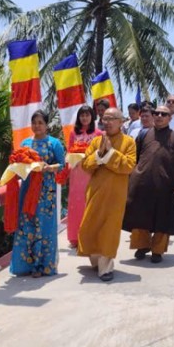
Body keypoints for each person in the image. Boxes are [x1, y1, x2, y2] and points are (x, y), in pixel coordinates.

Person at [122, 105, 174, 263]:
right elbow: (134, 157)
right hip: (142, 181)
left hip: (165, 185)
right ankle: (142, 246)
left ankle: (158, 251)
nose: (159, 116)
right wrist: (130, 177)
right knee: (140, 216)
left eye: (163, 114)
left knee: (162, 218)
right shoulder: (143, 134)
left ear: (169, 118)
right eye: (156, 113)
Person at [77, 108, 137, 281]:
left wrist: (110, 153)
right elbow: (85, 165)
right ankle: (96, 260)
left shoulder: (129, 142)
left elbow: (129, 166)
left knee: (109, 230)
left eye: (112, 119)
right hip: (95, 191)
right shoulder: (96, 141)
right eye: (105, 119)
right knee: (90, 226)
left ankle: (106, 268)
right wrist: (99, 154)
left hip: (115, 194)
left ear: (121, 122)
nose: (108, 122)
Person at [9, 111, 65, 278]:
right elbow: (19, 163)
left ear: (46, 125)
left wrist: (48, 168)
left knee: (44, 225)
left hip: (46, 191)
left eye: (40, 123)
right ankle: (25, 265)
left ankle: (42, 266)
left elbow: (62, 165)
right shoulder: (25, 143)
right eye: (34, 123)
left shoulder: (54, 143)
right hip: (28, 189)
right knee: (27, 223)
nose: (37, 126)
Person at [67, 105, 102, 250]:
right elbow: (69, 151)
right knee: (76, 204)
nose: (84, 118)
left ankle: (91, 236)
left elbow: (101, 153)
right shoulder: (73, 133)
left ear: (92, 117)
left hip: (92, 172)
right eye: (82, 115)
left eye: (87, 115)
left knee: (91, 203)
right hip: (77, 172)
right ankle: (75, 237)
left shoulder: (98, 133)